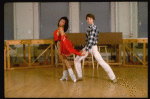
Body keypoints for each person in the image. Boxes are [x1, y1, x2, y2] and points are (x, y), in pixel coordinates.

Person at [74, 14, 117, 83]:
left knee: (101, 62)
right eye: (87, 19)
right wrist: (85, 49)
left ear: (93, 19)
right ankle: (79, 76)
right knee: (76, 59)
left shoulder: (93, 28)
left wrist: (86, 50)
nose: (89, 20)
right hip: (88, 47)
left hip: (93, 48)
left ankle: (113, 77)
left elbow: (91, 40)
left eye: (90, 19)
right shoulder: (89, 27)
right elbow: (88, 40)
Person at [54, 17, 83, 82]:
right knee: (64, 62)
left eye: (63, 22)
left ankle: (73, 77)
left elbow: (63, 37)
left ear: (64, 24)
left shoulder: (61, 29)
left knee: (66, 61)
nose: (61, 22)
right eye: (61, 21)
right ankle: (65, 76)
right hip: (58, 47)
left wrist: (66, 46)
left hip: (61, 47)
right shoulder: (59, 29)